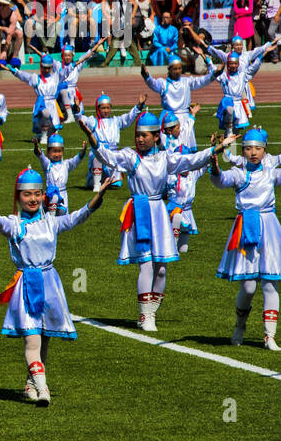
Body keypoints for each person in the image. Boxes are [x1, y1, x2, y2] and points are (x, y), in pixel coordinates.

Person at [0, 167, 115, 406]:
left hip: (50, 284)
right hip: (26, 285)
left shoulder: (51, 222)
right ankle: (42, 388)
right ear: (18, 196)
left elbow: (78, 216)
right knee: (32, 339)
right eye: (27, 194)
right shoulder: (14, 224)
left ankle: (30, 384)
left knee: (45, 336)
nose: (33, 199)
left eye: (37, 194)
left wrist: (99, 195)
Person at [77, 113, 235, 331]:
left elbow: (191, 160)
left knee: (161, 268)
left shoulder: (165, 158)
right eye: (138, 135)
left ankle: (152, 310)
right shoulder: (130, 156)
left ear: (155, 136)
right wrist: (90, 134)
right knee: (146, 263)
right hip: (140, 211)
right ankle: (145, 315)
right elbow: (105, 156)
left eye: (145, 136)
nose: (140, 139)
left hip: (159, 212)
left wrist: (218, 148)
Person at [209, 128, 281, 349]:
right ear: (243, 151)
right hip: (245, 228)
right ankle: (240, 326)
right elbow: (221, 180)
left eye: (258, 149)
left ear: (265, 151)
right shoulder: (239, 173)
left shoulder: (271, 172)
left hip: (269, 228)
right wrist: (214, 166)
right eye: (248, 148)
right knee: (248, 287)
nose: (253, 153)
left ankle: (270, 336)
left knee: (271, 283)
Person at [141, 55, 218, 150]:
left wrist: (214, 74)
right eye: (175, 69)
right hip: (170, 121)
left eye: (179, 68)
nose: (178, 71)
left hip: (185, 119)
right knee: (169, 149)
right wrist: (147, 76)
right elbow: (153, 83)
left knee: (186, 149)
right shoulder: (164, 84)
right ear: (169, 69)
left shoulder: (186, 82)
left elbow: (201, 81)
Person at [78, 94, 146, 191]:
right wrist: (76, 111)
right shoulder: (93, 122)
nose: (106, 110)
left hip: (112, 154)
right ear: (98, 109)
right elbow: (81, 120)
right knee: (96, 157)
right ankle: (96, 185)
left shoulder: (116, 121)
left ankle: (111, 180)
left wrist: (139, 106)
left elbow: (128, 118)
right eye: (103, 108)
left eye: (108, 108)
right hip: (99, 151)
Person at [2, 53, 64, 144]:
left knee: (54, 133)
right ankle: (43, 136)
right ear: (41, 66)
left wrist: (79, 61)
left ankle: (40, 135)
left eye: (49, 67)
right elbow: (23, 75)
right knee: (45, 113)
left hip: (53, 105)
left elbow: (67, 69)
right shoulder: (36, 78)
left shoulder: (56, 77)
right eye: (44, 67)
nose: (46, 70)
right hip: (42, 104)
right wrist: (10, 69)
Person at [33, 134, 89, 215]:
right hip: (49, 195)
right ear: (48, 152)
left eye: (59, 151)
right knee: (48, 217)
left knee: (62, 215)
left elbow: (76, 160)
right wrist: (36, 145)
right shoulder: (47, 164)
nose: (57, 154)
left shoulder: (66, 164)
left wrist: (83, 151)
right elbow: (41, 156)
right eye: (54, 151)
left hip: (62, 195)